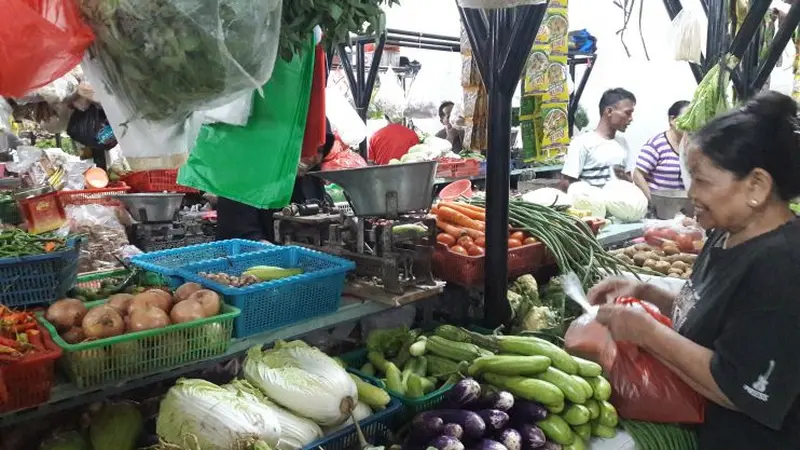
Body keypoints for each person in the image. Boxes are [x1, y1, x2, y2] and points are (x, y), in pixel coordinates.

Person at [587, 91, 800, 449]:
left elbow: (739, 386)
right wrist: (646, 292)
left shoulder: (782, 265)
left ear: (757, 186)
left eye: (702, 180)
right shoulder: (724, 235)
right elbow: (713, 317)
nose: (691, 192)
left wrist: (649, 333)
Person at [216, 120, 335, 242]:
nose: (311, 157)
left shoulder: (312, 177)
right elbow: (241, 237)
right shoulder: (241, 176)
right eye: (304, 146)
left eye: (320, 150)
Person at [560, 88, 636, 189]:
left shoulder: (622, 143)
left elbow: (628, 179)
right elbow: (566, 184)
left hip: (617, 204)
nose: (631, 119)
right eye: (627, 113)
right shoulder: (582, 143)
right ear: (609, 111)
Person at [632, 100, 691, 200]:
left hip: (682, 208)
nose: (691, 122)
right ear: (672, 120)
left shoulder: (691, 147)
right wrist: (652, 201)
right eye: (687, 117)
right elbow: (638, 175)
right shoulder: (657, 144)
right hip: (659, 207)